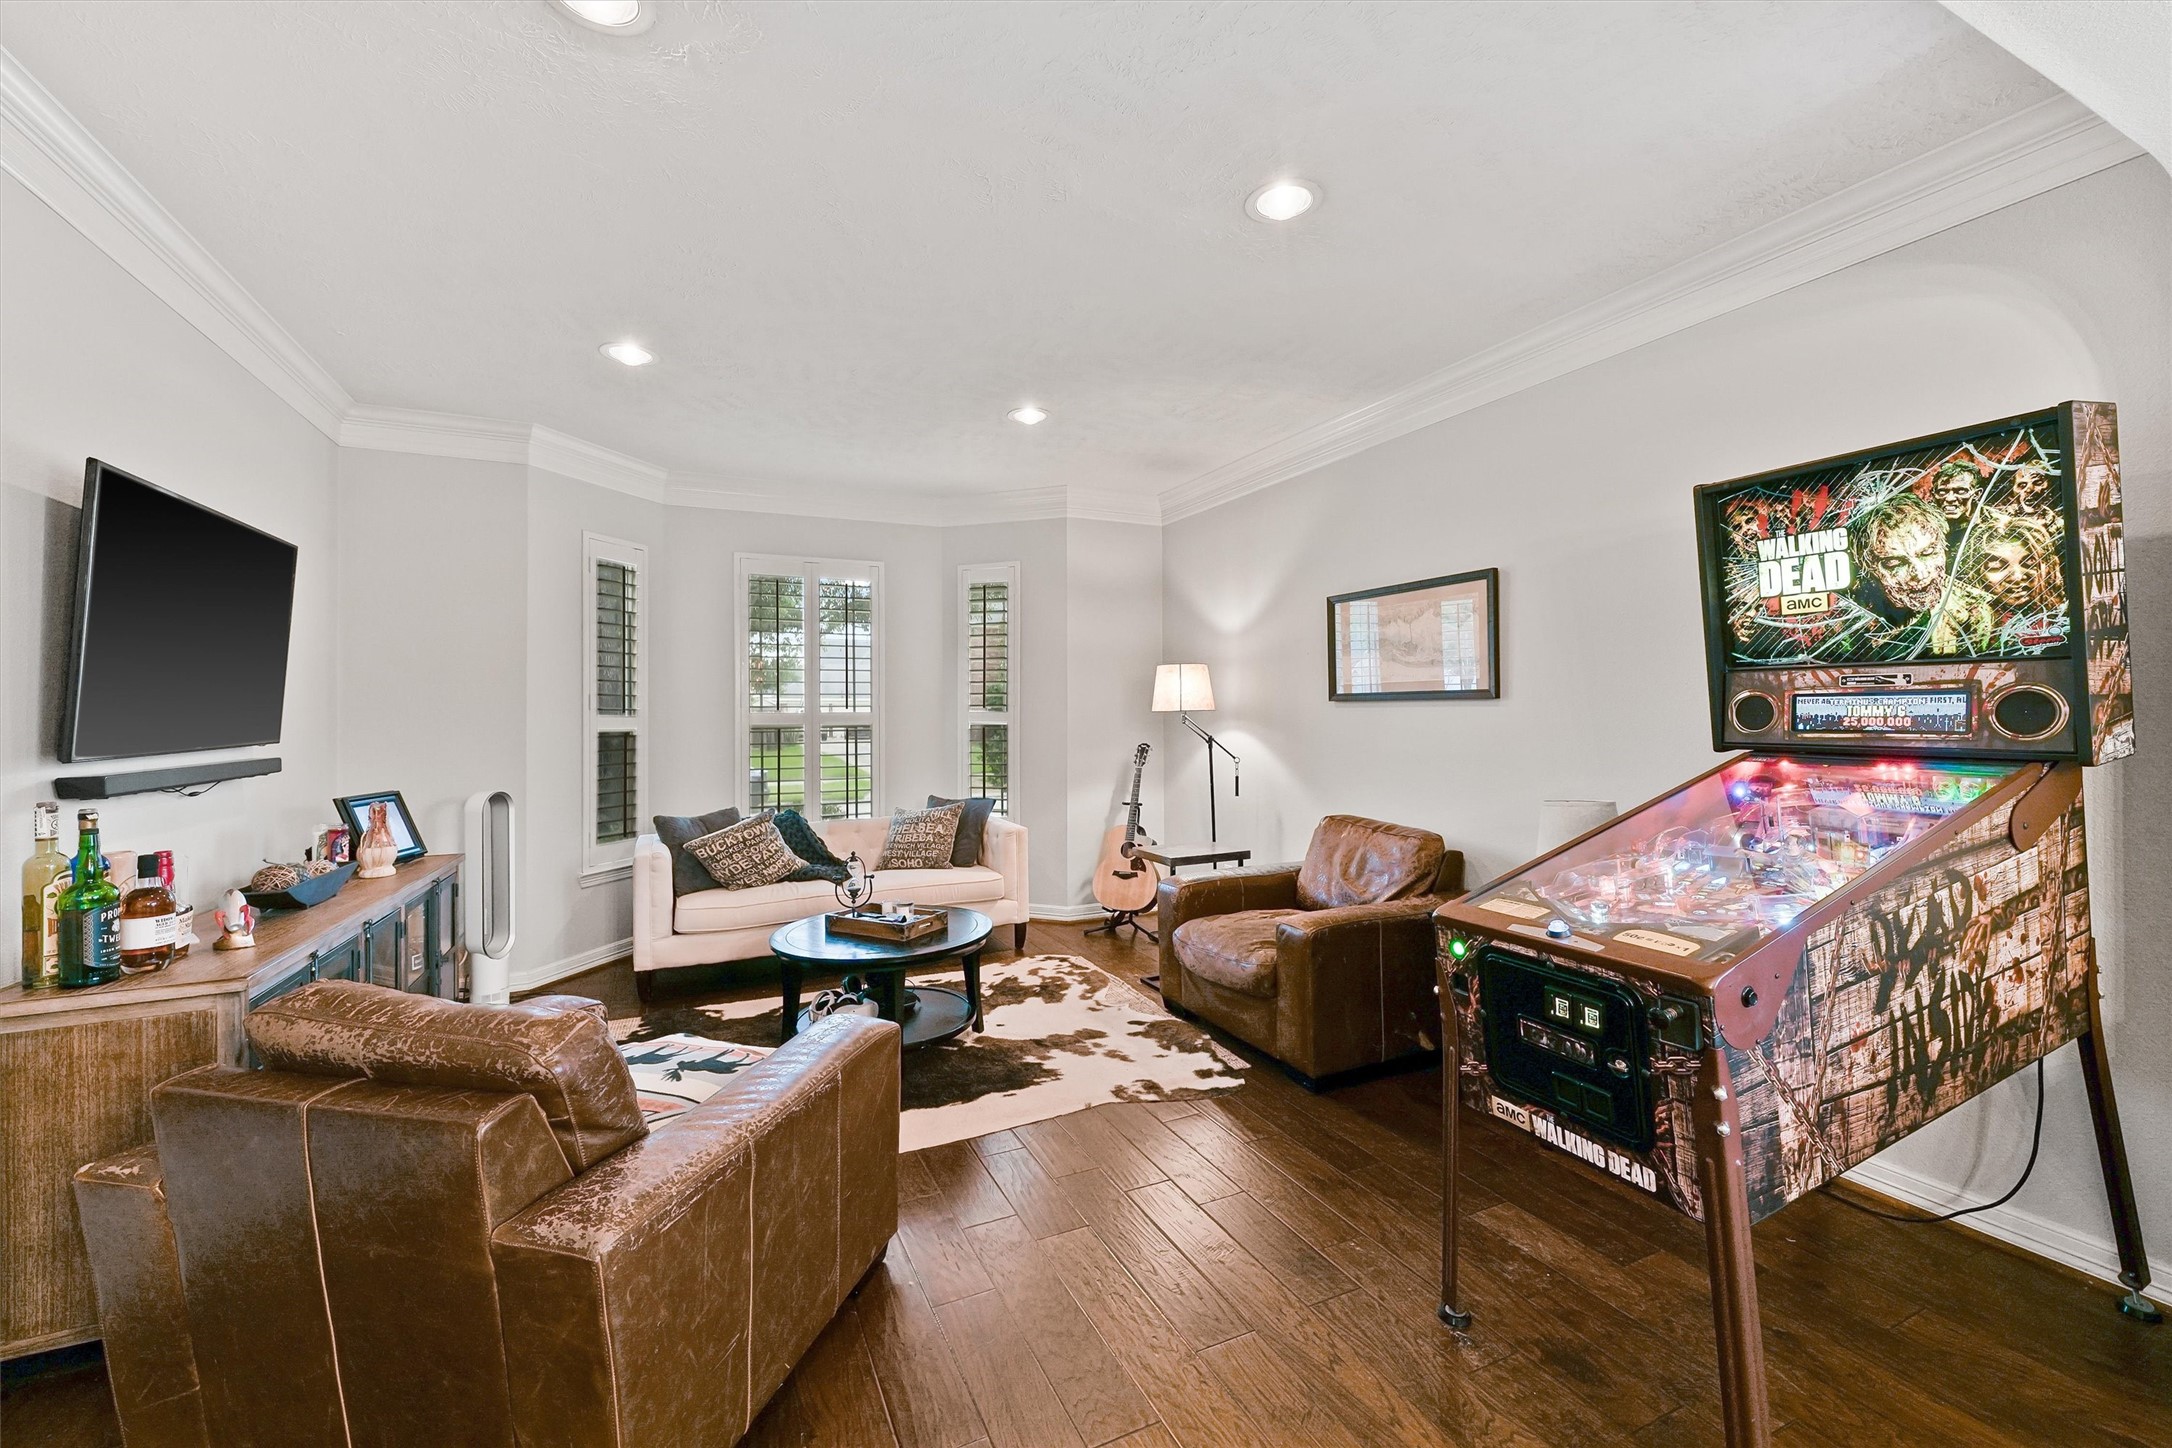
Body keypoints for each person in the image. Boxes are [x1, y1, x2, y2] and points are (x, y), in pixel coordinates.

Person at [1848, 491, 1994, 656]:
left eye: (1928, 552)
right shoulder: (1845, 615)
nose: (1921, 573)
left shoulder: (1971, 613)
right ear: (1867, 566)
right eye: (1895, 563)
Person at [1928, 460, 1985, 554]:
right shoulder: (1925, 524)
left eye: (1961, 491)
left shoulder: (1996, 523)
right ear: (1934, 495)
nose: (1950, 499)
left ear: (1976, 494)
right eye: (1942, 492)